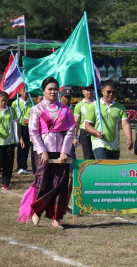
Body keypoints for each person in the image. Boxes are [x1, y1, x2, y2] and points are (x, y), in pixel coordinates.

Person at [29, 77, 76, 229]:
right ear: (43, 91)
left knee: (61, 184)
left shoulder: (65, 110)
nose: (53, 91)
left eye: (55, 89)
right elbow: (33, 132)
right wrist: (42, 151)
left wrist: (64, 151)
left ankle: (56, 219)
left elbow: (71, 130)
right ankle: (37, 211)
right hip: (42, 151)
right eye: (50, 89)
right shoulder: (37, 109)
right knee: (43, 182)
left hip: (60, 151)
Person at [85, 80, 133, 159]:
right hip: (99, 143)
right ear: (102, 91)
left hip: (115, 145)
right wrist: (96, 132)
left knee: (112, 170)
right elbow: (87, 125)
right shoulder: (93, 106)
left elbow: (125, 124)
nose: (111, 94)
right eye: (109, 92)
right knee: (104, 168)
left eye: (114, 92)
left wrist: (129, 138)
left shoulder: (120, 107)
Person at [0, 92, 24, 190]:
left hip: (10, 141)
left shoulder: (11, 110)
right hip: (0, 142)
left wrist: (20, 138)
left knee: (9, 163)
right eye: (2, 100)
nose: (4, 102)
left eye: (5, 100)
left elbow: (16, 125)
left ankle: (6, 183)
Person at [11, 88, 33, 175]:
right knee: (20, 147)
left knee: (27, 146)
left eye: (27, 90)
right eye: (23, 90)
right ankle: (20, 166)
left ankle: (24, 166)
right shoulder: (15, 103)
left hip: (28, 127)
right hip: (19, 127)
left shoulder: (30, 103)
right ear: (19, 92)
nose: (25, 92)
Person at [73, 85, 95, 159]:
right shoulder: (79, 105)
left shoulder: (98, 104)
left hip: (97, 131)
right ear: (83, 92)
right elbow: (76, 121)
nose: (89, 92)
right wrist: (74, 137)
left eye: (91, 90)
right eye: (87, 90)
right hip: (85, 133)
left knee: (98, 156)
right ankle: (89, 171)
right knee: (88, 156)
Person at [24, 95, 43, 175]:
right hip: (35, 136)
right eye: (40, 99)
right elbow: (25, 121)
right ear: (36, 100)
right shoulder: (32, 109)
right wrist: (35, 122)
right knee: (34, 154)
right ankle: (35, 171)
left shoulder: (47, 109)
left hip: (45, 136)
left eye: (43, 99)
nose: (42, 101)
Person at [60, 88, 76, 160]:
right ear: (61, 97)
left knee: (71, 154)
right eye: (66, 97)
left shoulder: (74, 108)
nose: (68, 99)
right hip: (60, 134)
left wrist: (75, 137)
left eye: (69, 97)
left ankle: (72, 171)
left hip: (70, 134)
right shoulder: (57, 108)